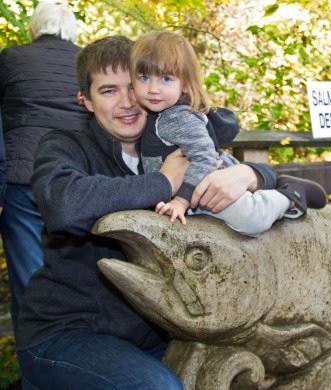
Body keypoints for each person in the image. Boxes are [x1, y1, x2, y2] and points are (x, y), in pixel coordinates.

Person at [14, 35, 287, 389]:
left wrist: (252, 174)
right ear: (85, 100)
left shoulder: (169, 141)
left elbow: (282, 186)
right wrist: (163, 184)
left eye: (135, 85)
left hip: (154, 331)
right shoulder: (65, 147)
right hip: (68, 330)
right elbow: (64, 206)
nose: (128, 102)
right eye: (109, 91)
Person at [130, 31, 327, 235]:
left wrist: (181, 200)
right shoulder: (154, 116)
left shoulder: (177, 118)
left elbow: (204, 157)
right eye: (144, 78)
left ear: (186, 85)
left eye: (166, 79)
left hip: (210, 187)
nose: (153, 88)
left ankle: (291, 195)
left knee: (251, 219)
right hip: (195, 196)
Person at [0, 1, 89, 322]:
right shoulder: (88, 63)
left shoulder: (10, 58)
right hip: (74, 181)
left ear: (34, 28)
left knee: (29, 282)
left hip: (22, 180)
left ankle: (36, 362)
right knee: (75, 278)